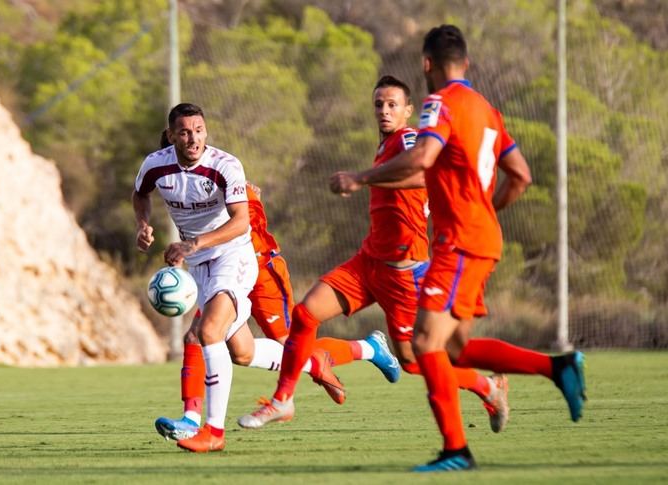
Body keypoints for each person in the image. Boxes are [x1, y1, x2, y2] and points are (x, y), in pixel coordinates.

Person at [329, 25, 587, 472]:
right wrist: (484, 212)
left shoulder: (439, 104)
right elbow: (521, 175)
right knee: (457, 349)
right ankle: (557, 368)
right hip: (481, 238)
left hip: (458, 242)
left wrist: (361, 178)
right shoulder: (487, 110)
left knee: (426, 344)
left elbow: (422, 158)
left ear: (427, 64)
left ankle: (455, 450)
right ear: (465, 63)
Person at [238, 75, 508, 432]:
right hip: (368, 263)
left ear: (408, 110)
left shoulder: (408, 138)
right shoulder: (385, 147)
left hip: (402, 272)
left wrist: (362, 178)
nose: (384, 110)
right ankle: (283, 400)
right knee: (305, 314)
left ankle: (487, 386)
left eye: (392, 104)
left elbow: (425, 169)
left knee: (414, 362)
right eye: (379, 104)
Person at [150, 130, 400, 446]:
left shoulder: (217, 176)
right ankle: (190, 419)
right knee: (233, 349)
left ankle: (366, 349)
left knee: (287, 344)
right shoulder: (181, 190)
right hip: (225, 274)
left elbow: (237, 219)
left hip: (260, 269)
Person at [133, 103, 346, 453]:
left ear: (206, 131)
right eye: (184, 132)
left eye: (199, 130)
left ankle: (211, 431)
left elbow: (240, 222)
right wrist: (142, 224)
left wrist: (192, 243)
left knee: (206, 332)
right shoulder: (156, 165)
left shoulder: (224, 165)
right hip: (200, 265)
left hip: (234, 256)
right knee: (242, 353)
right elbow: (140, 194)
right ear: (172, 135)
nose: (193, 138)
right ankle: (311, 362)